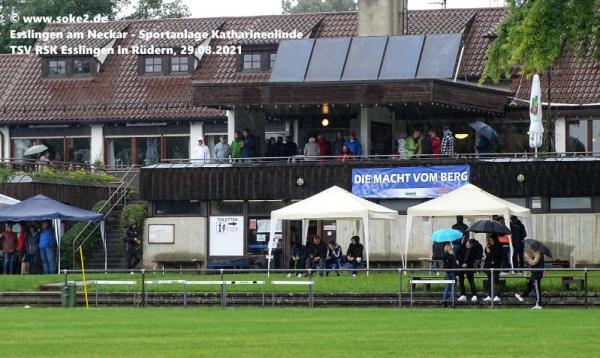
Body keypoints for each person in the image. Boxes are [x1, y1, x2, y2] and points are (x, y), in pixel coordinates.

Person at [515, 242, 545, 309]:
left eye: (532, 247)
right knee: (530, 286)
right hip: (534, 272)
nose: (531, 248)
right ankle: (522, 296)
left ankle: (538, 304)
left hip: (537, 273)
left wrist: (527, 257)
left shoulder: (538, 253)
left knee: (536, 288)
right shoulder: (535, 253)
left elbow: (534, 262)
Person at [456, 238, 482, 303]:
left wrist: (467, 264)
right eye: (467, 243)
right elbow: (457, 253)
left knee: (471, 280)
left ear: (472, 245)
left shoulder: (474, 250)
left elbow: (476, 257)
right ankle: (463, 294)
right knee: (461, 280)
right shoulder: (462, 247)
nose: (467, 245)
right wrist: (457, 260)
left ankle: (474, 294)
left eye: (469, 244)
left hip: (469, 267)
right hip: (461, 266)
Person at [483, 235, 503, 302]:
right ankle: (490, 295)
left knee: (495, 280)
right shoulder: (489, 246)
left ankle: (497, 295)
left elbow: (498, 255)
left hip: (496, 265)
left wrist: (490, 251)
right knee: (489, 281)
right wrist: (487, 249)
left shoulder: (498, 246)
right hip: (489, 265)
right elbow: (487, 255)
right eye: (489, 240)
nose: (490, 241)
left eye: (491, 240)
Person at [442, 243, 457, 308]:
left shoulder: (444, 256)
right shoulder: (452, 256)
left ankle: (444, 301)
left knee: (447, 287)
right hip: (452, 272)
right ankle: (452, 302)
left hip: (447, 272)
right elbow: (454, 265)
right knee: (453, 287)